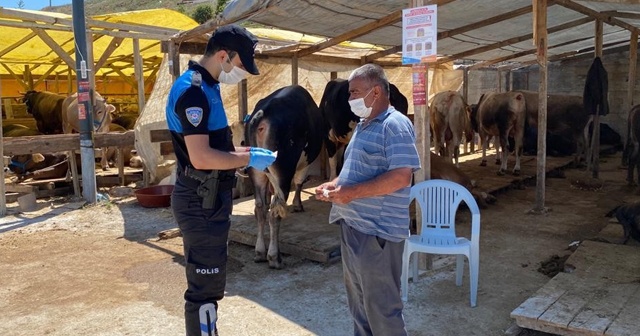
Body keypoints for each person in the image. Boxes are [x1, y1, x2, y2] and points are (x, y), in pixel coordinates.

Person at [165, 24, 277, 336]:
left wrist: (246, 151)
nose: (241, 73)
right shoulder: (193, 93)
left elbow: (216, 149)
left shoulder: (207, 87)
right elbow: (200, 157)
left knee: (210, 284)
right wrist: (248, 159)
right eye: (241, 66)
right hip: (201, 198)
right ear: (224, 56)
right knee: (203, 287)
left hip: (210, 196)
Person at [316, 63, 421, 336]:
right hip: (353, 228)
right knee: (360, 309)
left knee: (382, 312)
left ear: (375, 92)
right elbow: (352, 172)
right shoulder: (364, 125)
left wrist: (351, 193)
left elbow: (401, 177)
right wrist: (335, 184)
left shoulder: (395, 125)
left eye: (354, 92)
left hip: (377, 234)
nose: (349, 99)